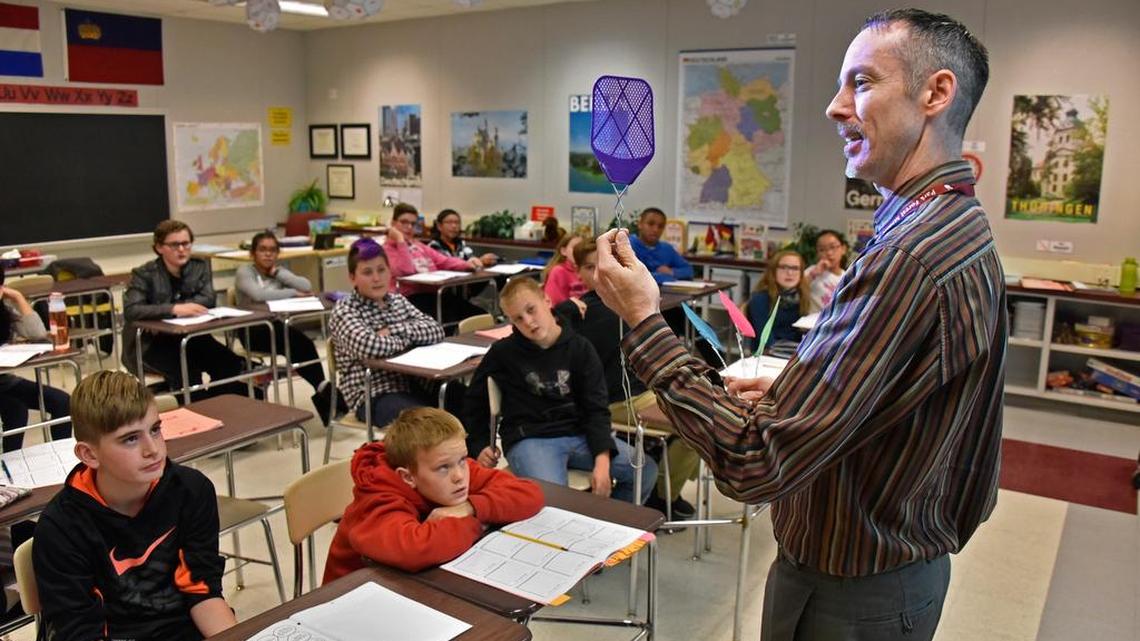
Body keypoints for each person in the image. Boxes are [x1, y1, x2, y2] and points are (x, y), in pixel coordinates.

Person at [593, 10, 1002, 640]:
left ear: (936, 93)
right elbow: (903, 401)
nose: (836, 108)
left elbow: (755, 462)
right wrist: (797, 396)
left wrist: (644, 320)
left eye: (861, 83)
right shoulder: (955, 226)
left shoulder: (910, 256)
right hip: (895, 570)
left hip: (854, 592)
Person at [33, 370, 236, 641]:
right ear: (89, 454)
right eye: (130, 438)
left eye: (155, 429)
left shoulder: (191, 491)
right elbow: (81, 632)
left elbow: (202, 592)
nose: (152, 449)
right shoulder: (61, 528)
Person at [465, 277, 655, 504]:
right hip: (530, 439)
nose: (528, 322)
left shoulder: (580, 348)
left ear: (547, 301)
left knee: (644, 469)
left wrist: (602, 460)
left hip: (579, 433)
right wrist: (478, 445)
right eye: (518, 319)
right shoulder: (503, 352)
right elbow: (473, 402)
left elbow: (596, 408)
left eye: (531, 310)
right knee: (556, 500)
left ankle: (613, 530)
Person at [555, 240, 699, 518]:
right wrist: (562, 311)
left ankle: (664, 486)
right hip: (615, 400)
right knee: (694, 424)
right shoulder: (576, 312)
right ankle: (663, 498)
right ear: (579, 273)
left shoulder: (633, 304)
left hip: (644, 390)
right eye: (589, 267)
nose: (599, 273)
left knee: (700, 415)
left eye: (604, 265)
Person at [323, 406, 543, 581]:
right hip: (354, 602)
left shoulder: (451, 466)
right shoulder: (377, 498)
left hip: (410, 587)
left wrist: (470, 507)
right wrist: (478, 521)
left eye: (462, 460)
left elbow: (528, 493)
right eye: (444, 468)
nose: (459, 475)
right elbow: (415, 549)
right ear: (408, 477)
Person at [123, 220, 256, 402]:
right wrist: (175, 308)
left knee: (229, 363)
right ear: (159, 247)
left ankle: (218, 404)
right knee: (187, 372)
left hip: (193, 336)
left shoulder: (199, 267)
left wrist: (163, 311)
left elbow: (208, 299)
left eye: (186, 243)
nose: (182, 249)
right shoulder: (144, 274)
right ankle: (198, 414)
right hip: (152, 343)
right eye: (174, 244)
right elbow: (132, 309)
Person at [329, 238, 445, 428]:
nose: (377, 278)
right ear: (352, 278)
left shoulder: (398, 301)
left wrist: (394, 330)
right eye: (367, 272)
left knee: (467, 401)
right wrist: (411, 341)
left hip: (415, 382)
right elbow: (371, 346)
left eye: (381, 270)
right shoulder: (345, 310)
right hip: (373, 393)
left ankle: (466, 457)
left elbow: (435, 330)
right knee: (421, 424)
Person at [235, 231, 341, 424]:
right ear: (253, 253)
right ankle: (324, 389)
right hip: (251, 329)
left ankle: (322, 387)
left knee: (303, 343)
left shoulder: (278, 271)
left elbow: (306, 285)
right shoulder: (245, 272)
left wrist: (278, 273)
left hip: (276, 327)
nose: (268, 254)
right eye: (263, 250)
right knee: (297, 343)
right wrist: (292, 292)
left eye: (273, 250)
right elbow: (258, 295)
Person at [0, 266, 71, 451]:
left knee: (62, 401)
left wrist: (17, 297)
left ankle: (59, 458)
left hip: (5, 382)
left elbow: (37, 333)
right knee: (16, 410)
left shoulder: (4, 310)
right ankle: (9, 469)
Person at [384, 203, 484, 325]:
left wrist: (467, 264)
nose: (409, 227)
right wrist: (400, 240)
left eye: (413, 224)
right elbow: (407, 271)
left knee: (479, 315)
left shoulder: (419, 246)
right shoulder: (386, 250)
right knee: (449, 319)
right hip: (408, 299)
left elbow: (444, 260)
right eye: (404, 222)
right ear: (393, 224)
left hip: (434, 295)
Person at [745, 250, 811, 358]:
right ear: (773, 271)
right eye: (784, 267)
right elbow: (766, 341)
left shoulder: (802, 296)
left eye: (795, 268)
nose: (789, 273)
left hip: (794, 352)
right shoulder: (760, 299)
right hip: (768, 355)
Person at [629, 208, 693, 285]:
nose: (656, 229)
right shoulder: (628, 246)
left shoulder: (666, 249)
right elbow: (633, 276)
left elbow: (688, 270)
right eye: (650, 224)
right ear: (640, 224)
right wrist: (664, 277)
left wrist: (672, 272)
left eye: (660, 226)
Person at [428, 209, 497, 266]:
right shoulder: (433, 246)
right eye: (449, 222)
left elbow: (471, 258)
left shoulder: (461, 244)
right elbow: (448, 264)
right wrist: (476, 262)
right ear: (439, 226)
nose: (454, 226)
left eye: (457, 223)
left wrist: (482, 260)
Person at [804, 229, 850, 312]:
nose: (829, 253)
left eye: (833, 247)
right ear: (817, 253)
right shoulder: (811, 271)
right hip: (812, 322)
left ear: (843, 249)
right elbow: (797, 290)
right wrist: (813, 274)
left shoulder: (848, 276)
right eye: (822, 249)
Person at [541, 233, 585, 306]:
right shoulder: (558, 271)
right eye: (575, 248)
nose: (579, 251)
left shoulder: (586, 269)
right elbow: (556, 304)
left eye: (582, 248)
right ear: (564, 251)